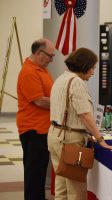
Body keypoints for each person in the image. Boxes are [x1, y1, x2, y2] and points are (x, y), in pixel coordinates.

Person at [48, 48, 112, 200]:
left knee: (62, 187)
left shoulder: (61, 79)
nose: (93, 72)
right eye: (93, 68)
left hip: (55, 135)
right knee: (76, 191)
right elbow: (85, 115)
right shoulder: (76, 82)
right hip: (70, 140)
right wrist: (101, 140)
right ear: (84, 66)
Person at [16, 38, 55, 200]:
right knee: (34, 176)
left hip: (43, 129)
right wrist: (63, 102)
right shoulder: (29, 72)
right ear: (39, 53)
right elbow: (40, 101)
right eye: (50, 56)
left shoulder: (42, 69)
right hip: (33, 131)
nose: (52, 60)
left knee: (39, 173)